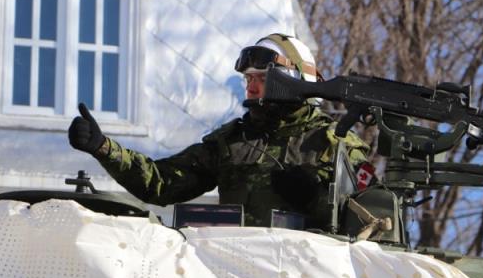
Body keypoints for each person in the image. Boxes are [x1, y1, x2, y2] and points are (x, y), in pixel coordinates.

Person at [68, 33, 369, 228]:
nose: (250, 86)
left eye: (260, 78)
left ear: (290, 80)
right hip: (233, 274)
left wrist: (314, 199)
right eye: (247, 78)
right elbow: (161, 183)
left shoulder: (336, 143)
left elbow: (375, 221)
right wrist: (105, 148)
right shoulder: (231, 141)